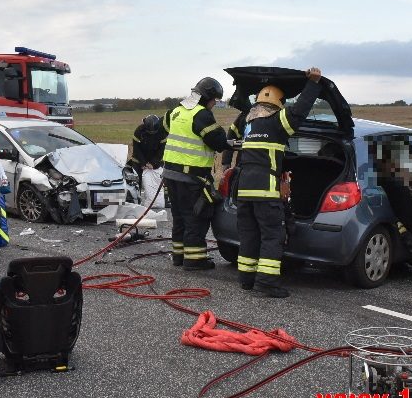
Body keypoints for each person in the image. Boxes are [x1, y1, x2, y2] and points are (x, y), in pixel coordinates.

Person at [235, 67, 323, 298]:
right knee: (272, 235)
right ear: (278, 103)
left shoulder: (249, 125)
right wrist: (313, 84)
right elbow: (299, 112)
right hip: (265, 191)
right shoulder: (276, 122)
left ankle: (246, 279)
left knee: (249, 235)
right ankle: (266, 283)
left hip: (244, 191)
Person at [162, 77, 228, 270]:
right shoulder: (202, 115)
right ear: (207, 97)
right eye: (214, 99)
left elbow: (163, 129)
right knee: (196, 217)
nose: (215, 103)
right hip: (192, 177)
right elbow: (219, 142)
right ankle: (194, 259)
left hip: (171, 175)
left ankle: (179, 256)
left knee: (179, 217)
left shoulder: (175, 111)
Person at [129, 114, 167, 183]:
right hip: (139, 161)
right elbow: (136, 149)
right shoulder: (139, 131)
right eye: (149, 132)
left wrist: (153, 163)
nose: (151, 134)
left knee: (156, 182)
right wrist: (143, 163)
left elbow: (162, 150)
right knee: (136, 182)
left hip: (156, 161)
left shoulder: (162, 132)